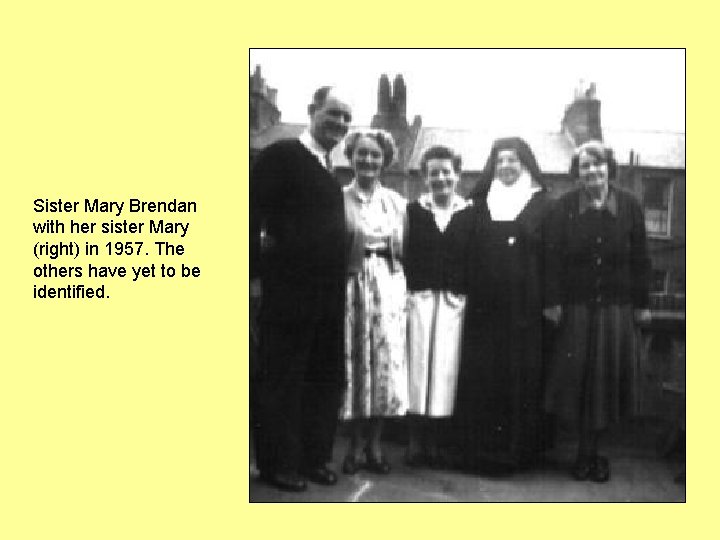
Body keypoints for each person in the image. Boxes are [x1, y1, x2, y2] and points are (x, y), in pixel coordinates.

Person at [249, 86, 352, 492]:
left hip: (327, 295)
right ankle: (278, 464)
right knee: (283, 378)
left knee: (322, 377)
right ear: (311, 112)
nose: (341, 124)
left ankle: (313, 459)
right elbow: (248, 214)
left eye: (346, 118)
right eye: (333, 114)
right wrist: (252, 277)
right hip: (288, 291)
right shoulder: (282, 155)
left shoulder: (329, 168)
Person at [543, 140, 651, 483]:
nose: (592, 171)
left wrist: (642, 304)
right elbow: (552, 259)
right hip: (576, 310)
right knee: (578, 384)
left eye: (598, 165)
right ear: (577, 173)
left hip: (615, 312)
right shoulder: (565, 207)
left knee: (605, 386)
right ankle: (581, 454)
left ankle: (596, 454)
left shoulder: (631, 206)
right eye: (585, 166)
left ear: (609, 169)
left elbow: (641, 259)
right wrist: (553, 300)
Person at [451, 137, 552, 475]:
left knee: (518, 376)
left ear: (525, 164)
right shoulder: (477, 203)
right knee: (481, 375)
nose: (506, 166)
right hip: (482, 306)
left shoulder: (542, 204)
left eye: (513, 160)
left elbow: (553, 259)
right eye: (500, 161)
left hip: (524, 307)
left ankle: (515, 454)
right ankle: (475, 452)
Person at [340, 129, 408, 475]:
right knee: (356, 363)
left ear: (385, 160)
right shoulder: (339, 199)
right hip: (352, 286)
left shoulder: (397, 204)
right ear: (350, 157)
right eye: (361, 154)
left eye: (375, 155)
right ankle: (352, 445)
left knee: (383, 365)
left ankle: (375, 445)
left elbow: (407, 249)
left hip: (389, 287)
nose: (368, 160)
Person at [404, 145, 469, 468]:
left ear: (457, 174)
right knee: (418, 368)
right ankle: (415, 441)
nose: (441, 179)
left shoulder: (469, 214)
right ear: (424, 177)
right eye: (434, 173)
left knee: (446, 371)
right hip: (420, 300)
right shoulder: (413, 212)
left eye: (446, 172)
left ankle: (438, 443)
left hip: (455, 304)